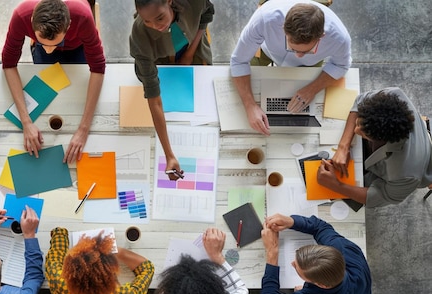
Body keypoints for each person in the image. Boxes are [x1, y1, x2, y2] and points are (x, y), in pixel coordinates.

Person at [2, 0, 105, 163]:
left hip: (77, 47)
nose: (50, 50)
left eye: (56, 43)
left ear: (69, 24)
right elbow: (8, 65)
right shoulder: (21, 15)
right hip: (52, 43)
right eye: (43, 42)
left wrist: (84, 129)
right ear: (31, 21)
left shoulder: (82, 16)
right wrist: (26, 122)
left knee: (74, 94)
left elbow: (98, 67)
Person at [230, 0, 351, 135]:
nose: (299, 56)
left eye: (307, 51)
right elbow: (238, 61)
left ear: (321, 36)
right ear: (283, 29)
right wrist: (250, 106)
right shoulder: (264, 19)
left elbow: (341, 64)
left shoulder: (340, 38)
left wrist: (312, 89)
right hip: (267, 51)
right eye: (293, 48)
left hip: (310, 64)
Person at [130, 0, 214, 180]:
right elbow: (154, 99)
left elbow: (206, 14)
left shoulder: (194, 2)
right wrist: (169, 155)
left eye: (160, 17)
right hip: (158, 57)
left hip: (192, 46)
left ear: (169, 1)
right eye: (147, 21)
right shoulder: (139, 34)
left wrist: (189, 54)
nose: (155, 26)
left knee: (204, 94)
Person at [318, 87, 432, 207]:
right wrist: (343, 147)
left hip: (420, 168)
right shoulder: (394, 95)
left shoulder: (406, 174)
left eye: (364, 133)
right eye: (358, 123)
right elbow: (359, 102)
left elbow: (382, 196)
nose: (356, 130)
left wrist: (335, 185)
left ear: (381, 140)